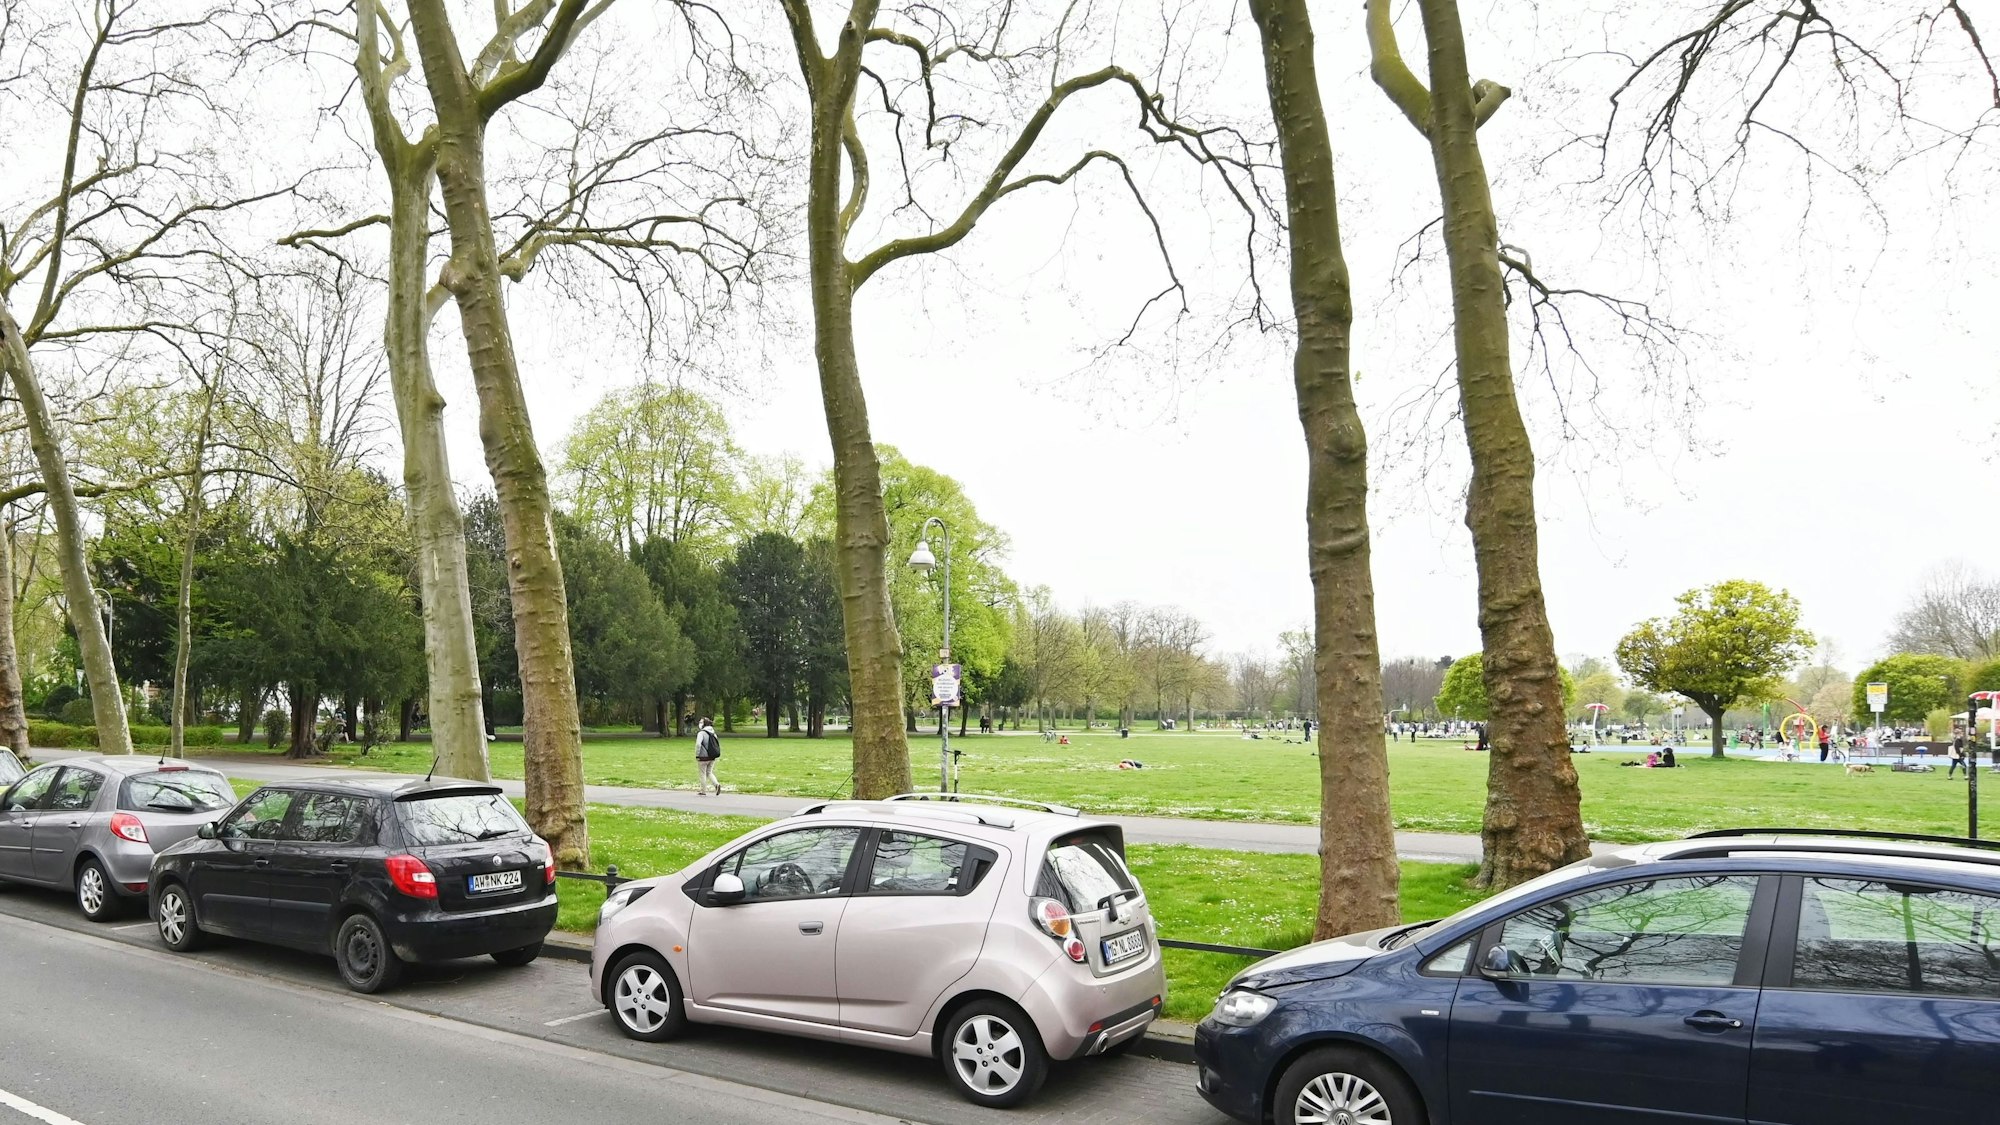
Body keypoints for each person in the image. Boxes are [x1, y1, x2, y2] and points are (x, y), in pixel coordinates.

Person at [694, 717, 722, 796]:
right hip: (712, 756)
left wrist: (697, 754)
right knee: (709, 772)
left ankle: (703, 791)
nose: (699, 723)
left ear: (704, 724)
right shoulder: (713, 732)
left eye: (701, 722)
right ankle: (716, 784)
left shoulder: (701, 733)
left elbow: (698, 744)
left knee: (702, 773)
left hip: (703, 757)